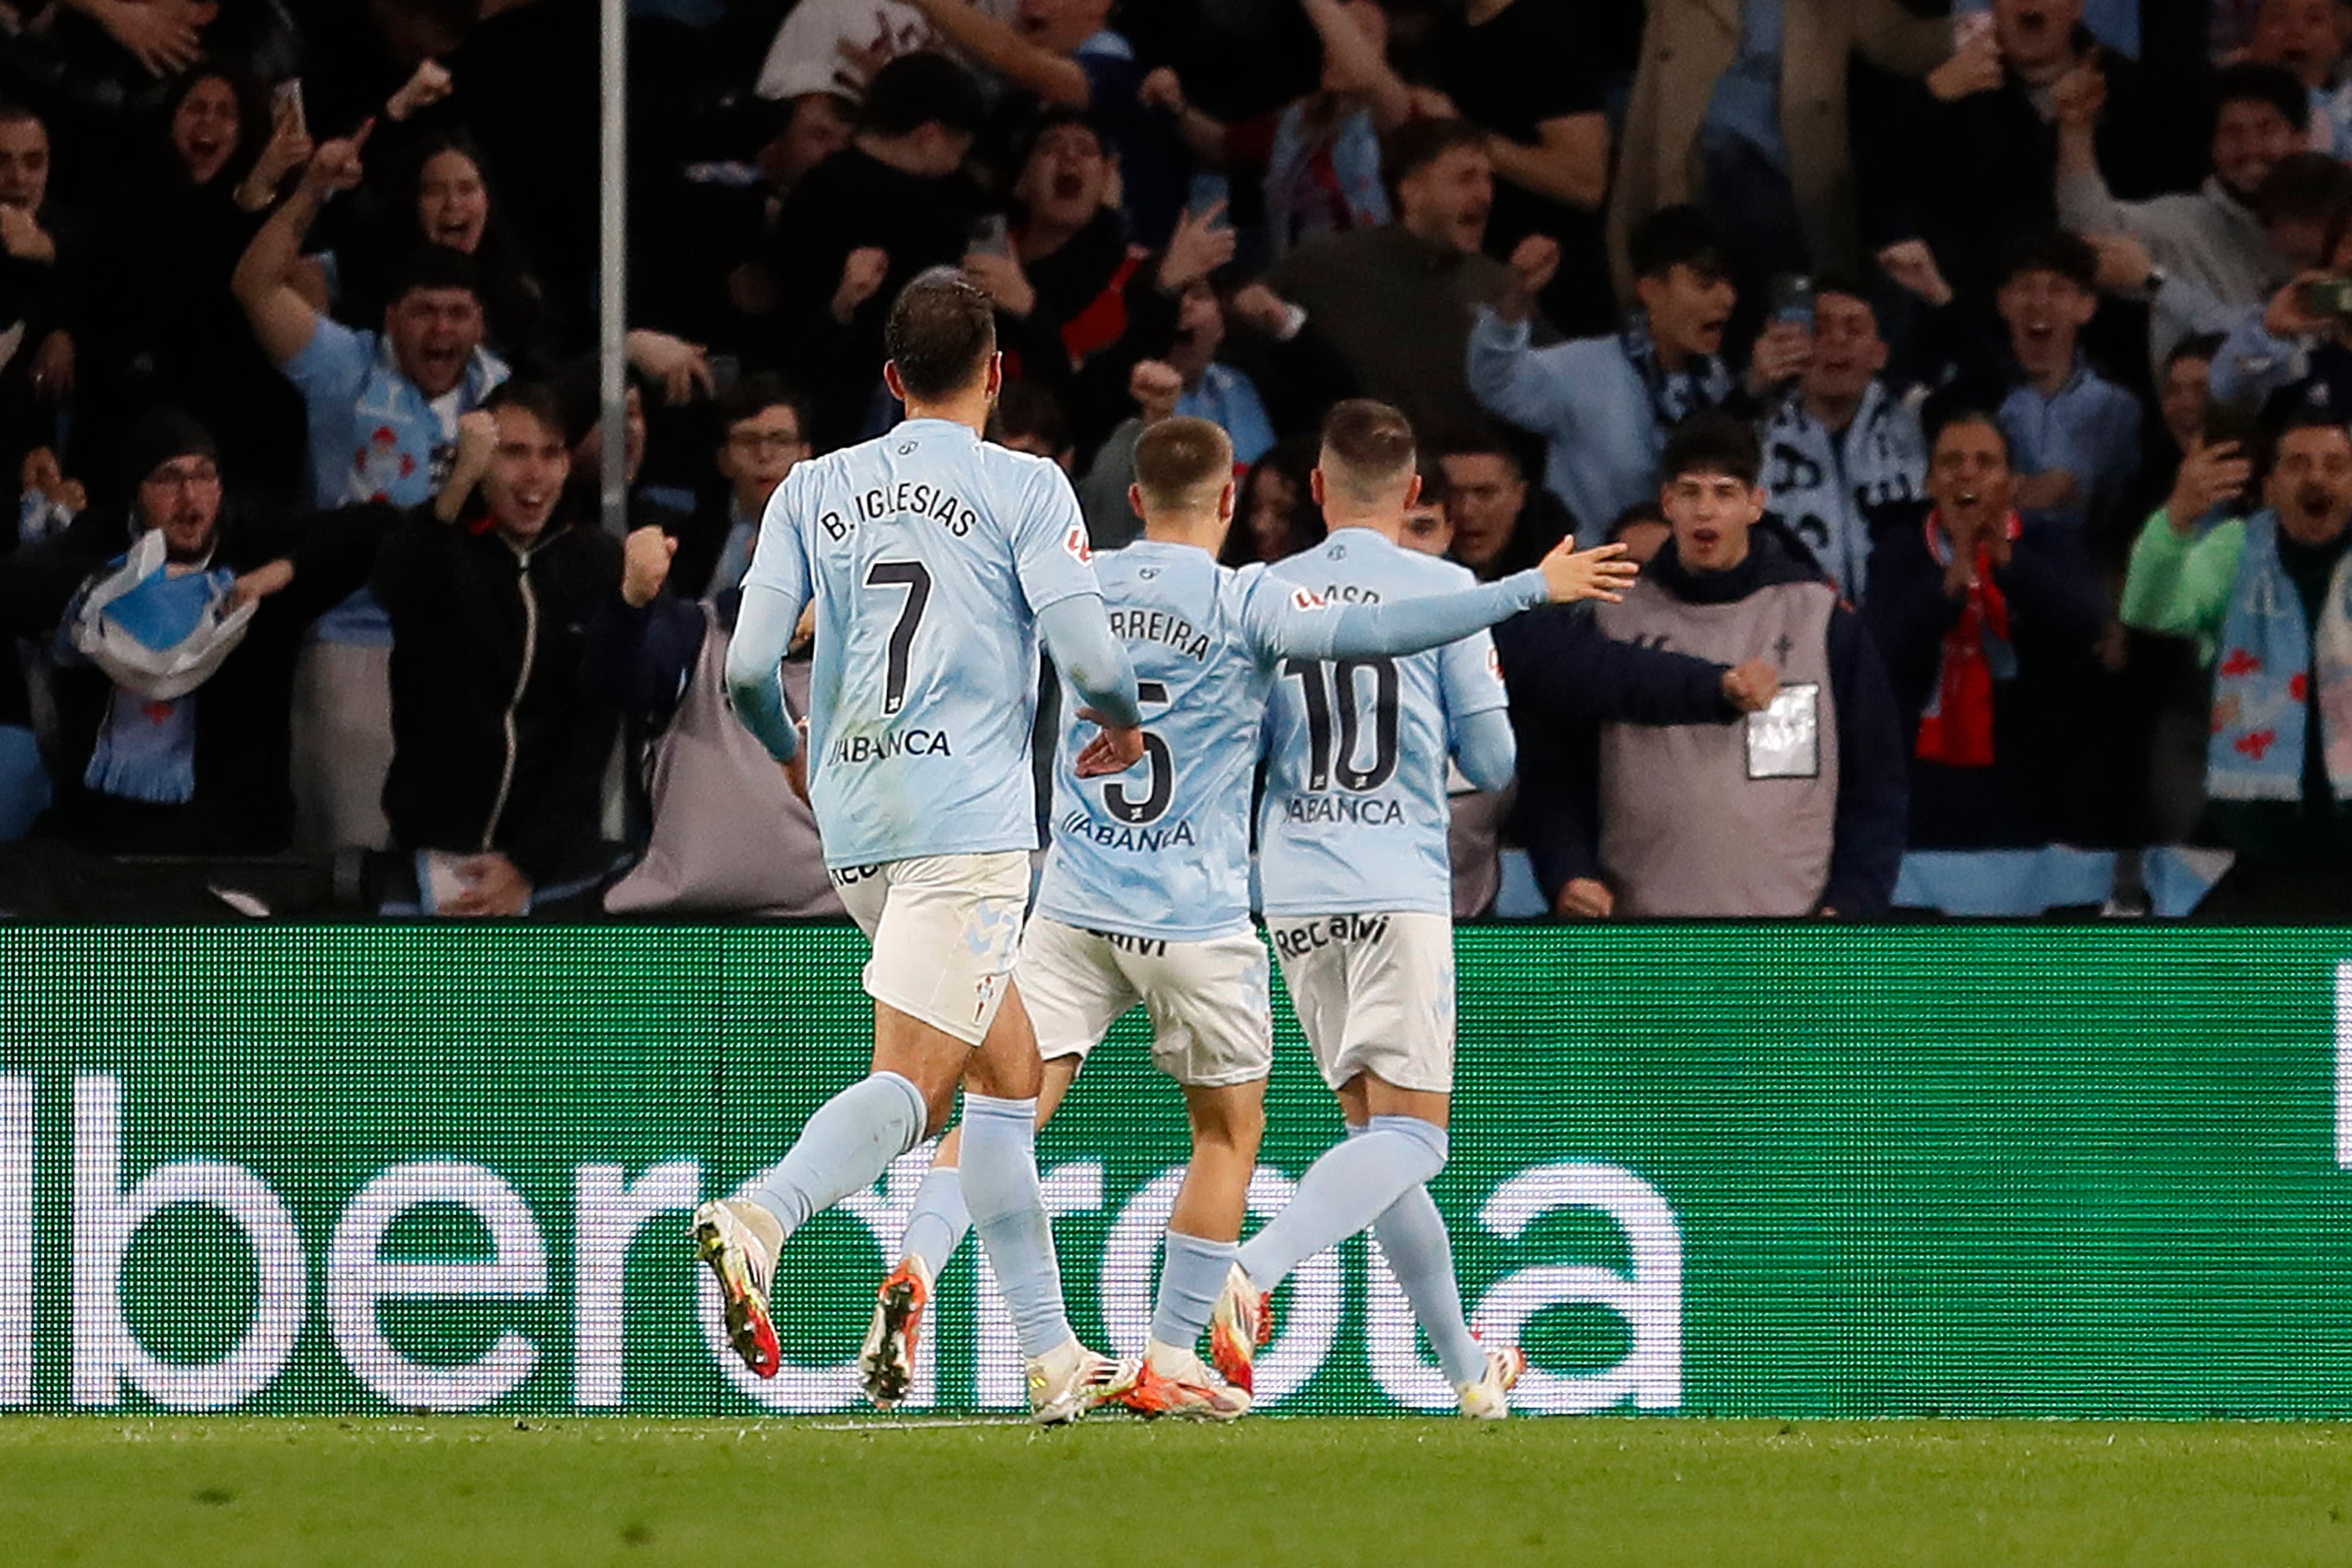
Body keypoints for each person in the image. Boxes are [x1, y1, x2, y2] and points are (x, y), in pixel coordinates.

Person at [862, 413, 1634, 1416]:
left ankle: (919, 1262)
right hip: (1266, 902)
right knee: (1310, 1137)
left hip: (1167, 898)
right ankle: (1218, 1302)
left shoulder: (1083, 581)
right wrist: (1529, 589)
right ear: (1233, 500)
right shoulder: (1265, 600)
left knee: (1008, 1110)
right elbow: (1437, 707)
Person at [693, 270, 1146, 1425]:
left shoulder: (809, 487)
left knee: (1009, 1072)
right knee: (919, 1083)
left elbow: (747, 667)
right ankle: (765, 1215)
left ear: (890, 380)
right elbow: (1089, 657)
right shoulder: (1026, 485)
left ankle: (1050, 1358)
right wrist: (1120, 719)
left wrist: (789, 748)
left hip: (857, 825)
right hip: (969, 829)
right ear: (995, 374)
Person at [1203, 399, 1595, 1418]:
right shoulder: (1445, 590)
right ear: (1415, 493)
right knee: (1413, 1142)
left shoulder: (1263, 591)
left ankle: (1467, 1372)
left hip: (1290, 892)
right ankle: (1250, 1266)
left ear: (1319, 492)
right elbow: (1496, 762)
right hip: (1396, 888)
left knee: (1380, 1149)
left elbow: (1234, 747)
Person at [0, 409, 391, 854]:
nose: (191, 498)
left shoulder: (250, 546)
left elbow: (378, 528)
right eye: (168, 479)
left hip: (231, 834)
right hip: (98, 828)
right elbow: (15, 586)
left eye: (205, 476)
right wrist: (118, 590)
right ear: (135, 494)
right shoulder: (100, 544)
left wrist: (281, 573)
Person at [1567, 415, 1908, 917]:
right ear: (1668, 503)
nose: (1706, 510)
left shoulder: (1821, 622)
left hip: (1794, 934)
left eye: (1724, 493)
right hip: (1642, 932)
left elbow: (1876, 783)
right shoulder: (1610, 619)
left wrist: (1851, 904)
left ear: (1755, 504)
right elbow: (1560, 772)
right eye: (1690, 492)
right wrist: (1569, 869)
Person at [371, 380, 622, 917]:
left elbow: (593, 728)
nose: (535, 476)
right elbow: (396, 584)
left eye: (551, 455)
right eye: (513, 453)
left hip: (547, 865)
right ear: (480, 461)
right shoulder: (442, 550)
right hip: (431, 851)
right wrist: (457, 482)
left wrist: (528, 865)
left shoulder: (595, 561)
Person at [2119, 408, 2352, 918]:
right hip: (2254, 849)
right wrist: (2176, 518)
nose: (2316, 478)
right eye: (2298, 464)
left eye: (2335, 465)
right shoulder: (2233, 551)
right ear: (2268, 487)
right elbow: (2148, 608)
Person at [1864, 410, 2107, 854]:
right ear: (1929, 482)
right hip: (1926, 776)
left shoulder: (2049, 543)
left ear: (2012, 483)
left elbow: (2085, 622)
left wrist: (2008, 563)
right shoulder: (1898, 550)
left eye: (1985, 462)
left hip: (2031, 768)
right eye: (1951, 462)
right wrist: (1947, 586)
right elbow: (1882, 649)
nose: (1967, 474)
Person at [1611, 0, 1947, 292]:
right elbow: (1648, 112)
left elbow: (1898, 41)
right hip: (1698, 178)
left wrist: (1975, 28)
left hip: (1787, 183)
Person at [1466, 205, 1741, 545]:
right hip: (1593, 582)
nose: (1727, 298)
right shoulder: (1588, 369)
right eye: (1705, 284)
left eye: (1730, 284)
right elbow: (1497, 383)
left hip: (1697, 586)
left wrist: (1755, 396)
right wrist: (1512, 301)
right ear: (1651, 289)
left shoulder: (1728, 388)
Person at [757, 51, 989, 449]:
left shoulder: (812, 190)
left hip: (807, 404)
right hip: (872, 414)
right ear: (929, 136)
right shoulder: (933, 216)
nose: (957, 165)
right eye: (957, 151)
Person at [1258, 118, 1518, 438]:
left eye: (1489, 180)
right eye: (1466, 179)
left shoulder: (1496, 283)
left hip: (1466, 479)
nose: (1486, 195)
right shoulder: (1326, 265)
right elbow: (1248, 326)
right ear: (1412, 190)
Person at [2057, 62, 2308, 374]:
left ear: (2302, 140)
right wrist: (2075, 132)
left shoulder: (2338, 229)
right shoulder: (2182, 224)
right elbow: (2091, 237)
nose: (2250, 149)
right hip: (2195, 416)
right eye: (2232, 132)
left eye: (2266, 130)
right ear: (2213, 147)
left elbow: (2293, 361)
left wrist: (2157, 284)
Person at [1756, 281, 1929, 600]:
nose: (1836, 340)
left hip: (1903, 632)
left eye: (1854, 329)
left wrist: (1939, 295)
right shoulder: (1757, 434)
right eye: (1820, 329)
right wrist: (1750, 388)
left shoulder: (1919, 421)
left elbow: (1988, 387)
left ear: (1880, 353)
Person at [672, 375, 811, 601]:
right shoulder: (688, 537)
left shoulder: (833, 535)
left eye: (780, 440)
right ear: (724, 460)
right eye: (748, 441)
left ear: (806, 455)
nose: (764, 455)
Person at [1432, 426, 1573, 582]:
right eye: (1452, 495)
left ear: (1520, 495)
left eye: (1485, 493)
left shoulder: (1571, 580)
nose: (1467, 511)